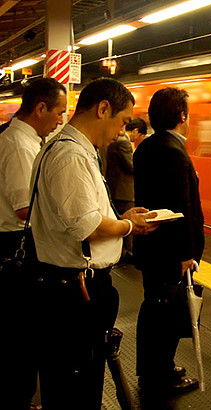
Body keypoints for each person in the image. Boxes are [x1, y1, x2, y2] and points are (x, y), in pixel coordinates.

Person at [30, 77, 158, 409]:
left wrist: (123, 216)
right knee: (75, 387)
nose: (122, 131)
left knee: (80, 381)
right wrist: (130, 225)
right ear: (103, 109)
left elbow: (86, 213)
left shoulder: (74, 150)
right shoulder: (70, 155)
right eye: (122, 121)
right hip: (73, 291)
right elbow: (86, 226)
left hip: (72, 287)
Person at [0, 77, 66, 410]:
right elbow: (24, 206)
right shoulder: (18, 145)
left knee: (22, 331)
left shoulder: (21, 141)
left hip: (15, 243)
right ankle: (19, 399)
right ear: (40, 108)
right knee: (21, 332)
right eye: (58, 112)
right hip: (14, 245)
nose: (60, 121)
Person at [133, 87, 204, 397]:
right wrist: (186, 252)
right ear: (182, 116)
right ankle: (158, 375)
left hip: (152, 246)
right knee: (165, 312)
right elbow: (181, 206)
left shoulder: (147, 147)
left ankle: (156, 367)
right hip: (170, 251)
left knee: (155, 308)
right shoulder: (174, 151)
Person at [105, 124, 135, 261]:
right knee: (127, 220)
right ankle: (128, 253)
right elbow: (131, 166)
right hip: (124, 190)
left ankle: (124, 251)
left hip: (116, 189)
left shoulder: (117, 142)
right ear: (135, 131)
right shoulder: (123, 142)